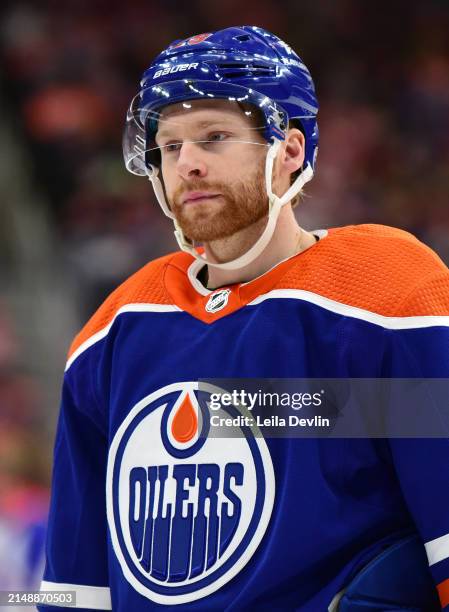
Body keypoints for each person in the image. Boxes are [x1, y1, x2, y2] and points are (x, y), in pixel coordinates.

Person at [38, 26, 449, 611]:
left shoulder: (388, 294)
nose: (188, 165)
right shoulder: (113, 331)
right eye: (170, 146)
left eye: (214, 137)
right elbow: (76, 591)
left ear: (290, 152)